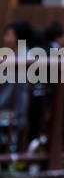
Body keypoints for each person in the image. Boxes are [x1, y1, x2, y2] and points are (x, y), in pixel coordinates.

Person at [0, 21, 35, 155]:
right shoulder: (18, 55)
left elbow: (12, 90)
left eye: (8, 35)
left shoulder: (22, 58)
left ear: (19, 37)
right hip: (14, 110)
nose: (5, 38)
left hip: (12, 111)